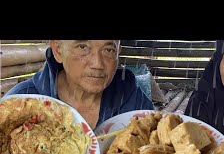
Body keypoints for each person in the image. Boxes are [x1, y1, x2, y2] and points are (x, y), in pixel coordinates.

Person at [5, 40, 154, 130]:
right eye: (83, 47)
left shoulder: (135, 101)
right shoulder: (20, 103)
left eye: (108, 50)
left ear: (118, 52)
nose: (97, 64)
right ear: (58, 50)